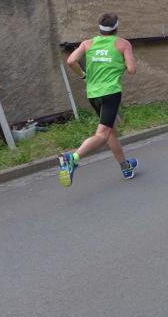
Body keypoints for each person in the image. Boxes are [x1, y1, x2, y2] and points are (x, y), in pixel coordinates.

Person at [59, 13, 138, 187]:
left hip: (93, 95)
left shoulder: (87, 44)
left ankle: (125, 167)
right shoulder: (123, 44)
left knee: (110, 132)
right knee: (102, 135)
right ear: (117, 27)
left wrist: (83, 75)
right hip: (111, 93)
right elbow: (132, 70)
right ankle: (73, 158)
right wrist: (121, 62)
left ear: (100, 28)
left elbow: (71, 61)